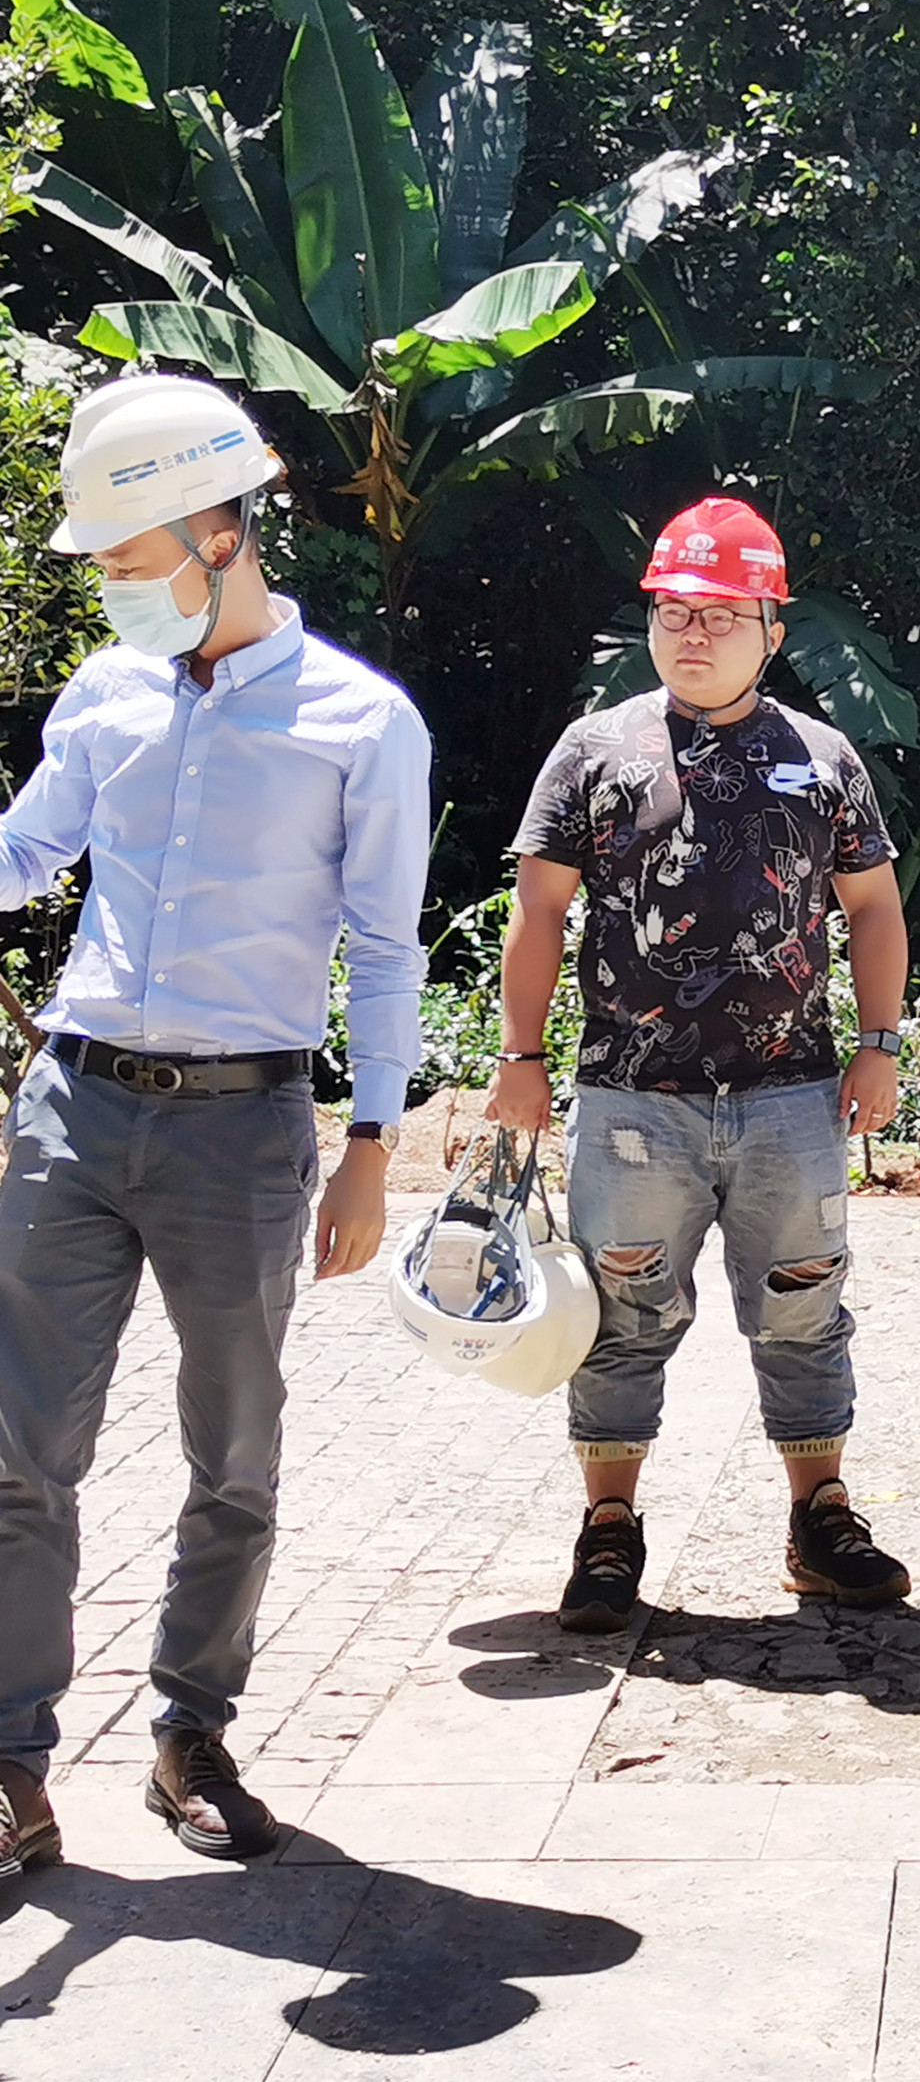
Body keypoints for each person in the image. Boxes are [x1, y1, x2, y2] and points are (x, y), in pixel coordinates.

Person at [0, 375, 429, 1872]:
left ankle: (191, 1727)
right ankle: (11, 1761)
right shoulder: (104, 696)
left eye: (126, 561)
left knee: (232, 1450)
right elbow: (26, 853)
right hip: (69, 1107)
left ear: (217, 535)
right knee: (18, 1448)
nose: (112, 590)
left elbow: (386, 946)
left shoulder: (360, 723)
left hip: (243, 1131)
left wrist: (371, 1146)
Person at [489, 498, 913, 1635]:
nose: (694, 633)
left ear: (772, 628)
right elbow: (538, 911)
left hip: (791, 1095)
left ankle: (819, 1518)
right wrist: (519, 1057)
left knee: (803, 1307)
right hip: (633, 1101)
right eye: (675, 611)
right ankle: (609, 1527)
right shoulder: (594, 750)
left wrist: (877, 1043)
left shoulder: (822, 757)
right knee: (620, 1314)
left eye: (723, 614)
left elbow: (874, 909)